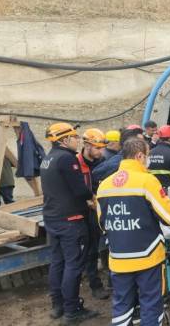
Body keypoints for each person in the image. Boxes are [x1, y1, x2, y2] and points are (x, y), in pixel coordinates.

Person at [97, 137, 170, 326]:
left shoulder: (104, 185)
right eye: (147, 156)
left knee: (122, 306)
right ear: (139, 156)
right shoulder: (147, 181)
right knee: (151, 305)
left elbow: (103, 224)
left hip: (118, 258)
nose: (148, 160)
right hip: (148, 257)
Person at [40, 123, 99, 324]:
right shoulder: (67, 159)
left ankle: (58, 306)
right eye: (75, 137)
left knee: (57, 262)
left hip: (52, 218)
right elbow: (81, 191)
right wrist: (93, 198)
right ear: (64, 140)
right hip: (70, 221)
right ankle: (72, 311)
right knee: (73, 265)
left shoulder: (48, 158)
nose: (78, 140)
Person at [75, 128, 110, 300]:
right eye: (97, 148)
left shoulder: (102, 161)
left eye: (102, 148)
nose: (101, 152)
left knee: (110, 246)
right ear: (87, 145)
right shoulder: (75, 163)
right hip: (85, 214)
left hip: (102, 209)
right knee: (90, 250)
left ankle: (113, 280)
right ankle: (95, 285)